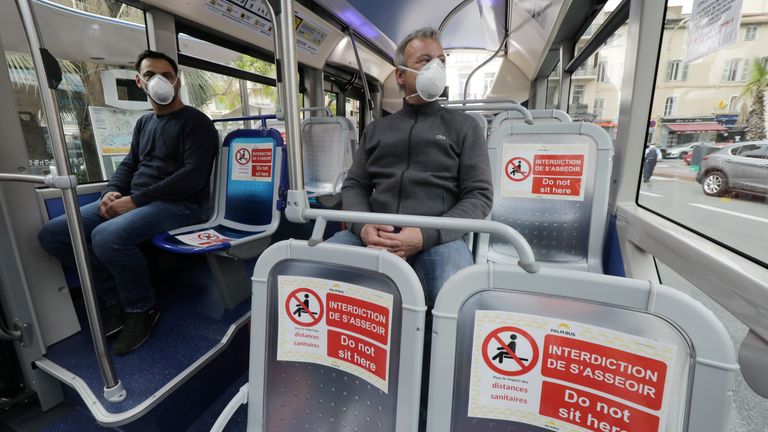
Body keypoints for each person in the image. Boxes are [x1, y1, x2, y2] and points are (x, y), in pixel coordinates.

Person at [38, 50, 219, 355]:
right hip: (140, 201)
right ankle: (115, 299)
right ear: (139, 81)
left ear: (177, 81)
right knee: (55, 234)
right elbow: (129, 164)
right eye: (150, 75)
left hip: (183, 205)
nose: (159, 81)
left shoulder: (196, 122)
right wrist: (111, 191)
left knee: (107, 236)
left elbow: (193, 177)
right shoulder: (144, 123)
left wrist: (134, 201)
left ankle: (141, 308)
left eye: (166, 75)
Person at [326, 27, 493, 306]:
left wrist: (426, 234)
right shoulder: (378, 129)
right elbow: (355, 185)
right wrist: (365, 227)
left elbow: (479, 195)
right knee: (316, 270)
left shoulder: (465, 127)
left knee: (454, 295)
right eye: (425, 61)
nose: (436, 68)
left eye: (441, 61)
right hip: (376, 233)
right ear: (400, 75)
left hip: (439, 238)